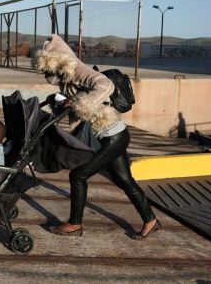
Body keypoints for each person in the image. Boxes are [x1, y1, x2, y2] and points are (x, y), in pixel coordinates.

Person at [36, 34, 160, 240]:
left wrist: (78, 102)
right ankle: (151, 220)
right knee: (124, 180)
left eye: (49, 66)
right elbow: (75, 103)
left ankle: (75, 224)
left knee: (78, 175)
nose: (47, 73)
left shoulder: (78, 70)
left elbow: (105, 86)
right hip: (111, 135)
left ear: (59, 60)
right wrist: (63, 102)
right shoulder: (66, 76)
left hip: (111, 136)